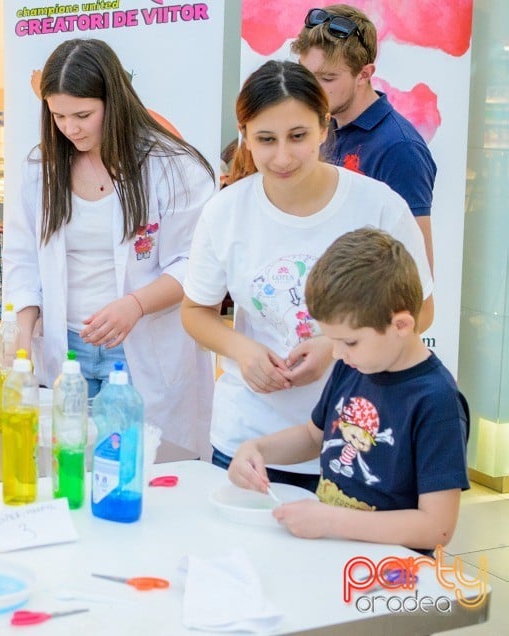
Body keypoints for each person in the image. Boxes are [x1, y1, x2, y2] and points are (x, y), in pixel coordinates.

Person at [180, 60, 434, 491]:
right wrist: (243, 350)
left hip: (355, 435)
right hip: (249, 440)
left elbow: (421, 311)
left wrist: (334, 348)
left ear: (323, 127)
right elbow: (195, 311)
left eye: (298, 136)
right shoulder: (226, 210)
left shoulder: (377, 206)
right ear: (245, 137)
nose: (282, 156)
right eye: (265, 139)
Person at [3, 38, 216, 455]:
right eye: (58, 115)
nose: (71, 128)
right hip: (67, 349)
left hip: (141, 351)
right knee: (69, 466)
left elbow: (194, 263)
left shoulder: (171, 166)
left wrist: (135, 305)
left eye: (83, 114)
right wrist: (22, 336)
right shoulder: (39, 169)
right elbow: (22, 258)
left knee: (133, 469)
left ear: (113, 102)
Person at [228, 228, 468, 551]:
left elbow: (436, 527)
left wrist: (329, 520)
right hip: (335, 553)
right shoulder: (355, 363)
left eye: (349, 341)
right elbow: (316, 436)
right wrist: (257, 448)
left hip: (390, 574)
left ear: (401, 325)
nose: (337, 354)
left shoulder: (437, 401)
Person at [292, 4, 437, 269]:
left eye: (327, 78)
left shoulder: (400, 148)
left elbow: (417, 271)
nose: (312, 89)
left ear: (365, 74)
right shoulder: (322, 124)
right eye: (306, 75)